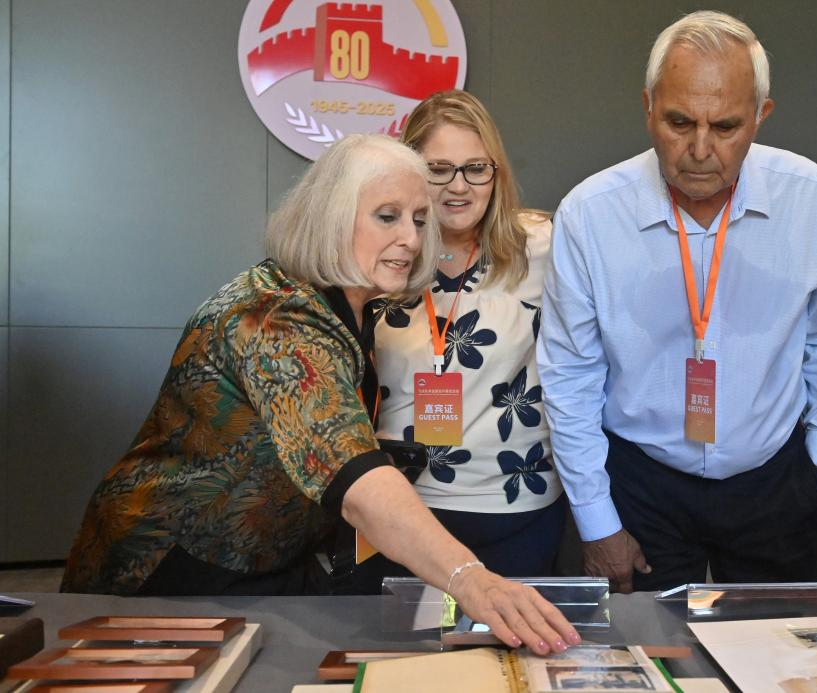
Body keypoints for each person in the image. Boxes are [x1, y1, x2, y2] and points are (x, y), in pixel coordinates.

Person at [61, 134, 580, 655]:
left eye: (420, 219)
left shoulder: (357, 302)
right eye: (387, 217)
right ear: (330, 218)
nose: (411, 238)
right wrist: (472, 579)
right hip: (170, 569)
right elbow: (353, 474)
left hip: (269, 560)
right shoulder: (274, 317)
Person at [537, 11, 817, 593]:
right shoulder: (590, 214)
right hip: (641, 483)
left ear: (761, 115)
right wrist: (596, 521)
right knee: (649, 646)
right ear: (648, 107)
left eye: (726, 126)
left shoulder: (812, 198)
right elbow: (570, 376)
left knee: (777, 645)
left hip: (774, 480)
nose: (699, 149)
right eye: (679, 121)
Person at [358, 90, 564, 587]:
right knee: (409, 640)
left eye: (475, 168)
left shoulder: (542, 245)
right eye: (438, 169)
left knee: (514, 637)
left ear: (496, 172)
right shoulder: (381, 253)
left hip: (517, 504)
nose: (458, 186)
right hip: (404, 510)